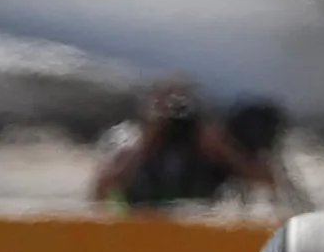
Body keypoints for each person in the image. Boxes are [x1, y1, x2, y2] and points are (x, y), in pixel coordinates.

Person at [93, 84, 280, 207]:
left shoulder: (213, 155)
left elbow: (267, 179)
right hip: (142, 226)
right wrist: (149, 140)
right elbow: (105, 183)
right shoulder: (136, 146)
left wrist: (223, 149)